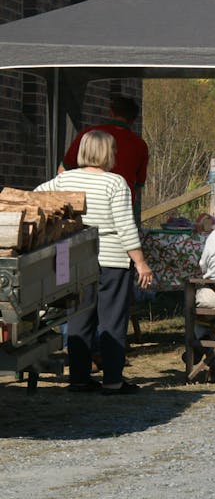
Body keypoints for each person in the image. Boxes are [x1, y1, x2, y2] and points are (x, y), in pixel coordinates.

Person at [36, 130, 153, 395]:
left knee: (78, 319)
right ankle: (112, 380)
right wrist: (140, 262)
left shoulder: (63, 180)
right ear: (108, 154)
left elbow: (35, 197)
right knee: (112, 320)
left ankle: (78, 379)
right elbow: (125, 226)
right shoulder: (115, 183)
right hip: (110, 257)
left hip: (74, 258)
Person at [59, 96, 148, 218]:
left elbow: (63, 169)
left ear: (110, 113)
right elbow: (139, 184)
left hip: (84, 206)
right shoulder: (140, 145)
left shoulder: (89, 135)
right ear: (133, 120)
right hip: (120, 211)